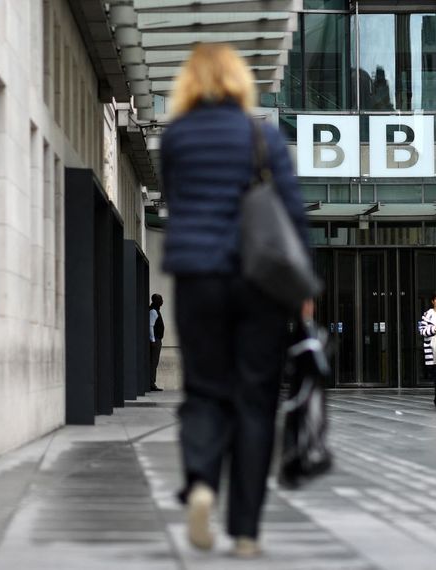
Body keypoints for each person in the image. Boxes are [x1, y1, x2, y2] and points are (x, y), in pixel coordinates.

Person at [159, 43, 312, 558]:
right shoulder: (261, 135)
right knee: (255, 400)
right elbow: (291, 212)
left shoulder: (175, 136)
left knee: (204, 390)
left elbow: (175, 201)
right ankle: (245, 532)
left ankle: (202, 482)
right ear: (238, 81)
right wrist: (305, 290)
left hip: (198, 277)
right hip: (258, 284)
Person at [149, 294, 165, 392]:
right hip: (155, 340)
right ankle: (151, 383)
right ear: (155, 301)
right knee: (153, 362)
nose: (162, 301)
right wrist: (153, 340)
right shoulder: (153, 311)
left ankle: (152, 382)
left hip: (156, 339)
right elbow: (150, 326)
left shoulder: (155, 310)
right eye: (160, 299)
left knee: (154, 362)